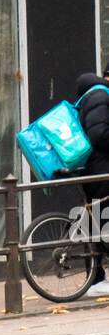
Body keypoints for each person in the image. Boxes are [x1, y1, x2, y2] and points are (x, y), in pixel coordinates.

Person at [74, 70, 109, 299]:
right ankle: (97, 279)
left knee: (96, 220)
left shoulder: (93, 96)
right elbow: (99, 134)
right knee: (103, 220)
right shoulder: (101, 96)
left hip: (95, 169)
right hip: (101, 169)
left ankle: (95, 278)